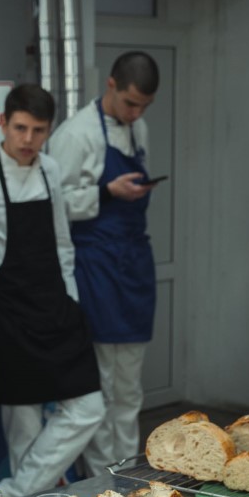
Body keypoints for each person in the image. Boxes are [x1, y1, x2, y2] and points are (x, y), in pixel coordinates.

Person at [0, 85, 104, 497]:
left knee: (89, 408)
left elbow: (61, 240)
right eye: (20, 128)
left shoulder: (50, 170)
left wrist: (71, 296)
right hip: (6, 312)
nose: (27, 139)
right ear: (3, 124)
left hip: (56, 304)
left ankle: (12, 492)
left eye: (38, 131)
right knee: (22, 428)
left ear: (48, 130)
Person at [48, 51, 161, 474]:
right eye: (130, 103)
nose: (136, 114)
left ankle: (128, 474)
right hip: (94, 264)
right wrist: (107, 192)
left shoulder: (139, 128)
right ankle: (100, 478)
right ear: (110, 85)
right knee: (99, 385)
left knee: (129, 387)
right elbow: (54, 204)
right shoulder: (75, 134)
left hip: (134, 263)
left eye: (144, 106)